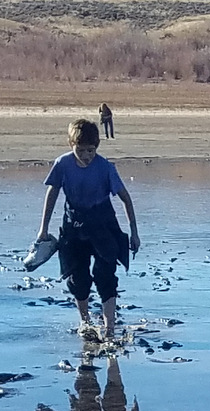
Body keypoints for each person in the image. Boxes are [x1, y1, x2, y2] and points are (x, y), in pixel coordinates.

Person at [35, 118, 140, 339]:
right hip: (74, 225)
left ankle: (110, 329)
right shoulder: (62, 164)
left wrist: (134, 232)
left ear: (97, 147)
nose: (85, 156)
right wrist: (43, 228)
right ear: (70, 144)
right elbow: (52, 194)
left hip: (103, 224)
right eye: (80, 150)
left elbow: (125, 198)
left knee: (105, 276)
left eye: (90, 150)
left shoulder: (105, 168)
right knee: (78, 278)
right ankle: (85, 322)